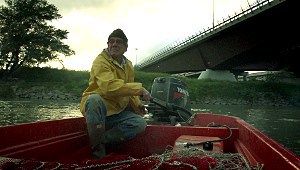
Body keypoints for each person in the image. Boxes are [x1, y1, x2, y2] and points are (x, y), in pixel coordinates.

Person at [80, 28, 152, 159]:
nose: (114, 44)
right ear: (107, 45)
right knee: (94, 99)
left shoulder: (128, 65)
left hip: (117, 113)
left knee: (140, 123)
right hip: (98, 113)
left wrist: (138, 104)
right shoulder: (100, 61)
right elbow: (109, 86)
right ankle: (98, 154)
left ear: (125, 47)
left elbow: (128, 91)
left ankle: (102, 141)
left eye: (119, 42)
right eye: (111, 41)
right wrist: (140, 89)